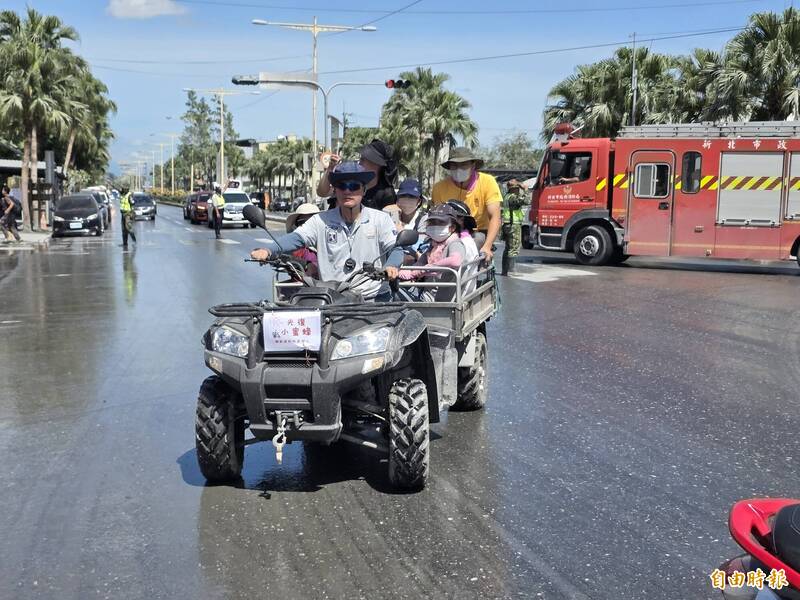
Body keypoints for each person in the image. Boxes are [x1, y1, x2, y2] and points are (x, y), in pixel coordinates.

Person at [250, 162, 402, 300]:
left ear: (364, 190)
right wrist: (268, 250)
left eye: (354, 186)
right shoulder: (320, 220)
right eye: (342, 186)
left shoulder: (381, 220)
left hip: (373, 299)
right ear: (335, 191)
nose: (347, 191)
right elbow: (296, 238)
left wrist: (392, 266)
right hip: (331, 299)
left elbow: (395, 247)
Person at [431, 147, 502, 262]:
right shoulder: (439, 188)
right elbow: (436, 218)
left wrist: (487, 246)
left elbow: (495, 217)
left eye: (464, 165)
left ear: (473, 165)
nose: (459, 169)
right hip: (448, 231)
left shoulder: (487, 182)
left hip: (478, 231)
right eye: (454, 165)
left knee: (472, 243)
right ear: (449, 167)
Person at [397, 205, 466, 301]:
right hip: (425, 294)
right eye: (432, 223)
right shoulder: (432, 245)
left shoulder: (455, 243)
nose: (435, 226)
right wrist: (397, 272)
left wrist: (429, 268)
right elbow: (418, 266)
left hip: (439, 300)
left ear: (452, 227)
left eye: (441, 223)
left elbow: (455, 260)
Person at [316, 139, 397, 210]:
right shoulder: (350, 178)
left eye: (363, 160)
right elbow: (322, 192)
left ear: (376, 164)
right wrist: (330, 168)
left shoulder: (386, 193)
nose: (359, 162)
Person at [500, 178, 530, 275]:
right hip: (513, 225)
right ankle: (511, 270)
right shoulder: (513, 197)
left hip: (507, 224)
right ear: (513, 189)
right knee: (514, 248)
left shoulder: (507, 196)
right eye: (517, 188)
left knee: (508, 248)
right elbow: (526, 201)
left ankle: (505, 270)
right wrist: (525, 190)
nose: (519, 190)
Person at [285, 202, 321, 279]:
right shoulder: (296, 247)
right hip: (303, 288)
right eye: (303, 222)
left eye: (313, 222)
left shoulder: (330, 243)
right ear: (296, 226)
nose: (308, 226)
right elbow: (287, 257)